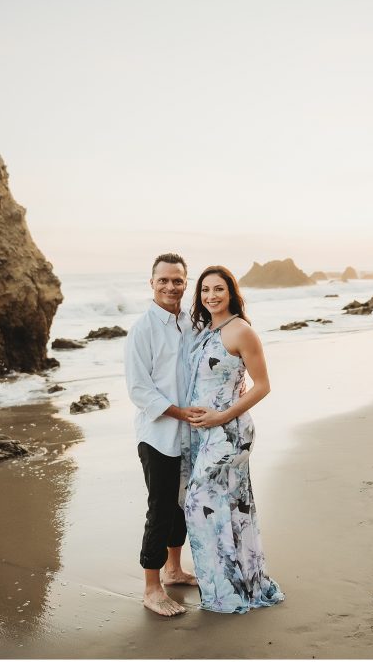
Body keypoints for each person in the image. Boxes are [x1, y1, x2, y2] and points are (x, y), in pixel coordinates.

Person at [180, 265, 284, 613]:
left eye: (218, 289)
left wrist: (221, 416)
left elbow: (262, 386)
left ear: (231, 293)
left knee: (198, 505)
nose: (211, 296)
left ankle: (226, 591)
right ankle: (238, 586)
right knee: (230, 507)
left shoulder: (241, 331)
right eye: (205, 290)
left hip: (230, 433)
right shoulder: (205, 330)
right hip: (205, 433)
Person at [124, 253, 203, 617]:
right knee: (160, 508)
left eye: (178, 280)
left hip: (192, 433)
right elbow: (139, 390)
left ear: (186, 283)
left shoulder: (191, 323)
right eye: (164, 280)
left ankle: (174, 569)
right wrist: (178, 412)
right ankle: (152, 587)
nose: (171, 287)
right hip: (157, 434)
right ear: (152, 283)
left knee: (182, 504)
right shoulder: (142, 329)